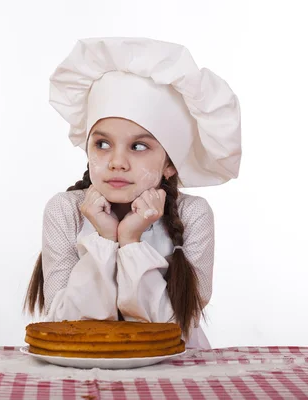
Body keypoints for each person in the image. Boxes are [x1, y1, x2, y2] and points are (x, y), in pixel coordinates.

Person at [23, 37, 241, 349]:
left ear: (169, 164)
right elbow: (64, 323)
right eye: (102, 143)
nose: (116, 162)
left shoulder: (194, 215)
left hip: (176, 372)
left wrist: (130, 242)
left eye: (139, 147)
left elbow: (172, 328)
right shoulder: (65, 210)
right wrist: (104, 237)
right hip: (82, 369)